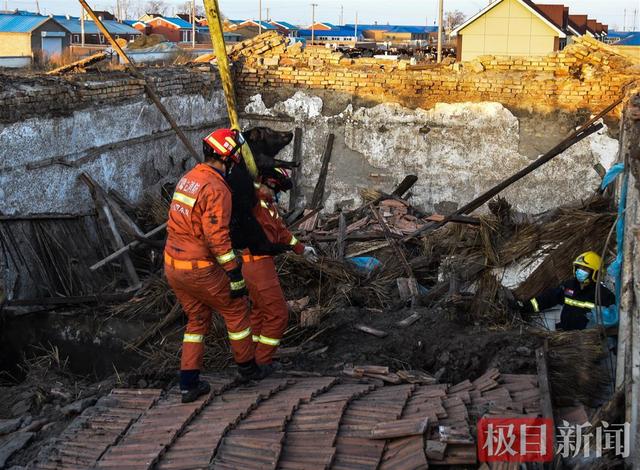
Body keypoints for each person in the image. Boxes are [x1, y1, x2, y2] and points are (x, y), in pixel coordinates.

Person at [164, 128, 261, 403]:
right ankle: (247, 369)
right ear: (228, 157)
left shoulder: (190, 178)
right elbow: (217, 237)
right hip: (198, 267)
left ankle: (188, 384)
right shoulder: (218, 188)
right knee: (236, 310)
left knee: (196, 320)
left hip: (173, 265)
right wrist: (233, 272)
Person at [242, 167, 317, 374]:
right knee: (278, 315)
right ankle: (263, 361)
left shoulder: (268, 205)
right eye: (276, 190)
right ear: (266, 183)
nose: (277, 196)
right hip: (258, 265)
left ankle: (251, 358)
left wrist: (301, 249)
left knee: (259, 312)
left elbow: (282, 232)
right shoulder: (255, 204)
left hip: (257, 265)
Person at [520, 251, 615, 331]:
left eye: (585, 269)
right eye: (579, 268)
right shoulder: (569, 286)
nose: (580, 271)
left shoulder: (603, 295)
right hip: (566, 333)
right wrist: (525, 307)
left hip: (587, 339)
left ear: (595, 273)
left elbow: (612, 319)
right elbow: (548, 298)